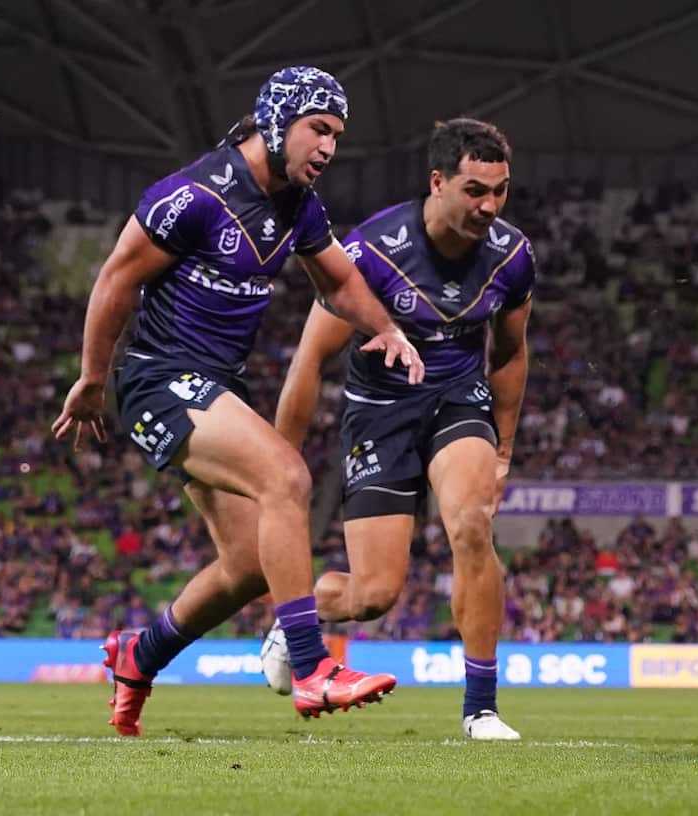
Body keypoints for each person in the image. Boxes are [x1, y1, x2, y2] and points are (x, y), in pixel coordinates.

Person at [51, 66, 423, 736]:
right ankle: (311, 669)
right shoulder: (192, 195)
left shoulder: (299, 207)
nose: (329, 147)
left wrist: (388, 329)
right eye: (319, 129)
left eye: (336, 134)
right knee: (286, 477)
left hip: (217, 386)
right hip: (159, 381)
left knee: (252, 566)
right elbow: (116, 279)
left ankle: (142, 652)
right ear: (279, 121)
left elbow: (339, 282)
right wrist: (91, 378)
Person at [266, 118, 533, 740]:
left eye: (500, 191)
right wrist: (281, 463)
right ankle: (297, 618)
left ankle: (481, 708)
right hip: (380, 416)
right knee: (373, 596)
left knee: (472, 523)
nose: (489, 206)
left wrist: (505, 449)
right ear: (437, 182)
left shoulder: (513, 257)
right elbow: (309, 360)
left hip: (457, 402)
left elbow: (512, 353)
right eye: (474, 190)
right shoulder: (370, 253)